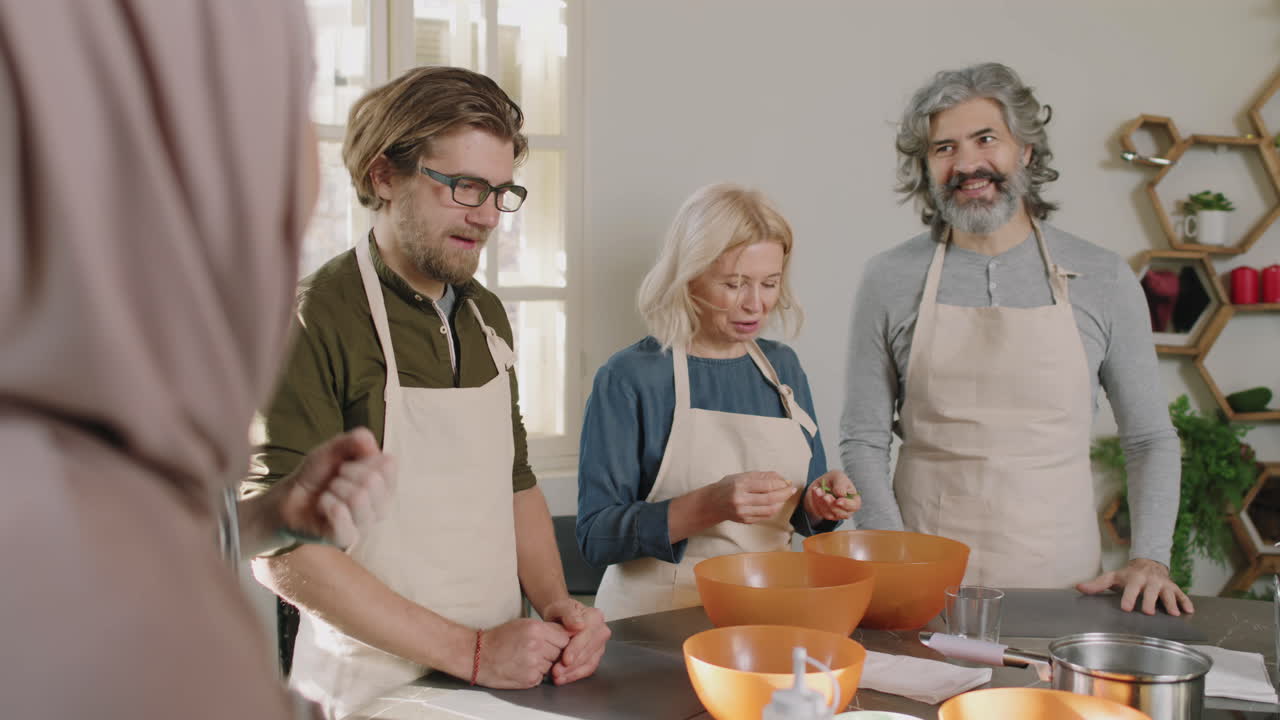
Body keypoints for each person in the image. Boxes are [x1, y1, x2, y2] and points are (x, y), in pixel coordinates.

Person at [0, 2, 396, 719]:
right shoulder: (65, 591)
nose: (309, 179)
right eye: (289, 104)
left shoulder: (96, 444)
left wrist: (269, 517)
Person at [246, 66, 610, 717]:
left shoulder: (486, 318)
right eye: (466, 187)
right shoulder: (312, 319)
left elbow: (516, 481)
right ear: (385, 175)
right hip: (370, 687)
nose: (490, 216)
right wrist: (470, 651)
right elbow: (281, 551)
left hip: (501, 682)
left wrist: (558, 607)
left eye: (501, 192)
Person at [841, 62, 1192, 616]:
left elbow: (1149, 438)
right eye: (944, 148)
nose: (967, 164)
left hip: (1063, 587)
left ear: (1025, 149)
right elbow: (862, 440)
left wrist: (1150, 557)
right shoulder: (887, 278)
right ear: (927, 166)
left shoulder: (1101, 275)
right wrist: (894, 555)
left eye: (986, 139)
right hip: (924, 585)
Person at [576, 183, 861, 621]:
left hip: (766, 612)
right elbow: (596, 537)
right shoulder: (631, 377)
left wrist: (822, 504)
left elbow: (805, 511)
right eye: (734, 284)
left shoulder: (782, 368)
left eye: (770, 283)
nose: (755, 304)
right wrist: (710, 505)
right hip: (654, 625)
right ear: (688, 276)